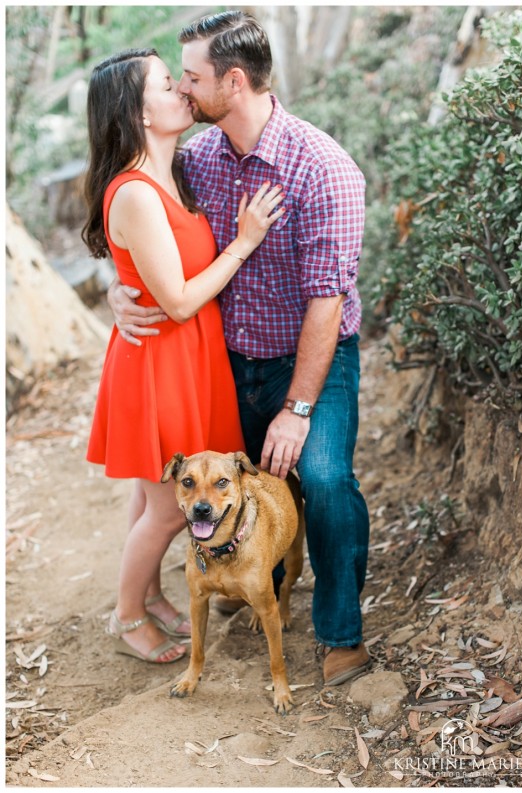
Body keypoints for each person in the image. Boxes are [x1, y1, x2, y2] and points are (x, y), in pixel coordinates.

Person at [108, 11, 371, 685]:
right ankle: (243, 577)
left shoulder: (321, 167)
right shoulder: (194, 159)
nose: (183, 90)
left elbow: (326, 300)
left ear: (232, 80)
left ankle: (339, 632)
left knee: (322, 478)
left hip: (310, 360)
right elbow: (139, 223)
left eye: (189, 78)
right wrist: (119, 286)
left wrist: (298, 406)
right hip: (221, 365)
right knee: (229, 484)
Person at [82, 47, 284, 664]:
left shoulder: (177, 171)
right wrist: (245, 243)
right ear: (138, 113)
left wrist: (117, 288)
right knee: (169, 511)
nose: (182, 92)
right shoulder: (139, 192)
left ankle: (151, 598)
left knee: (150, 501)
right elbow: (175, 300)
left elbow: (132, 267)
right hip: (161, 360)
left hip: (186, 357)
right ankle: (127, 617)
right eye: (168, 86)